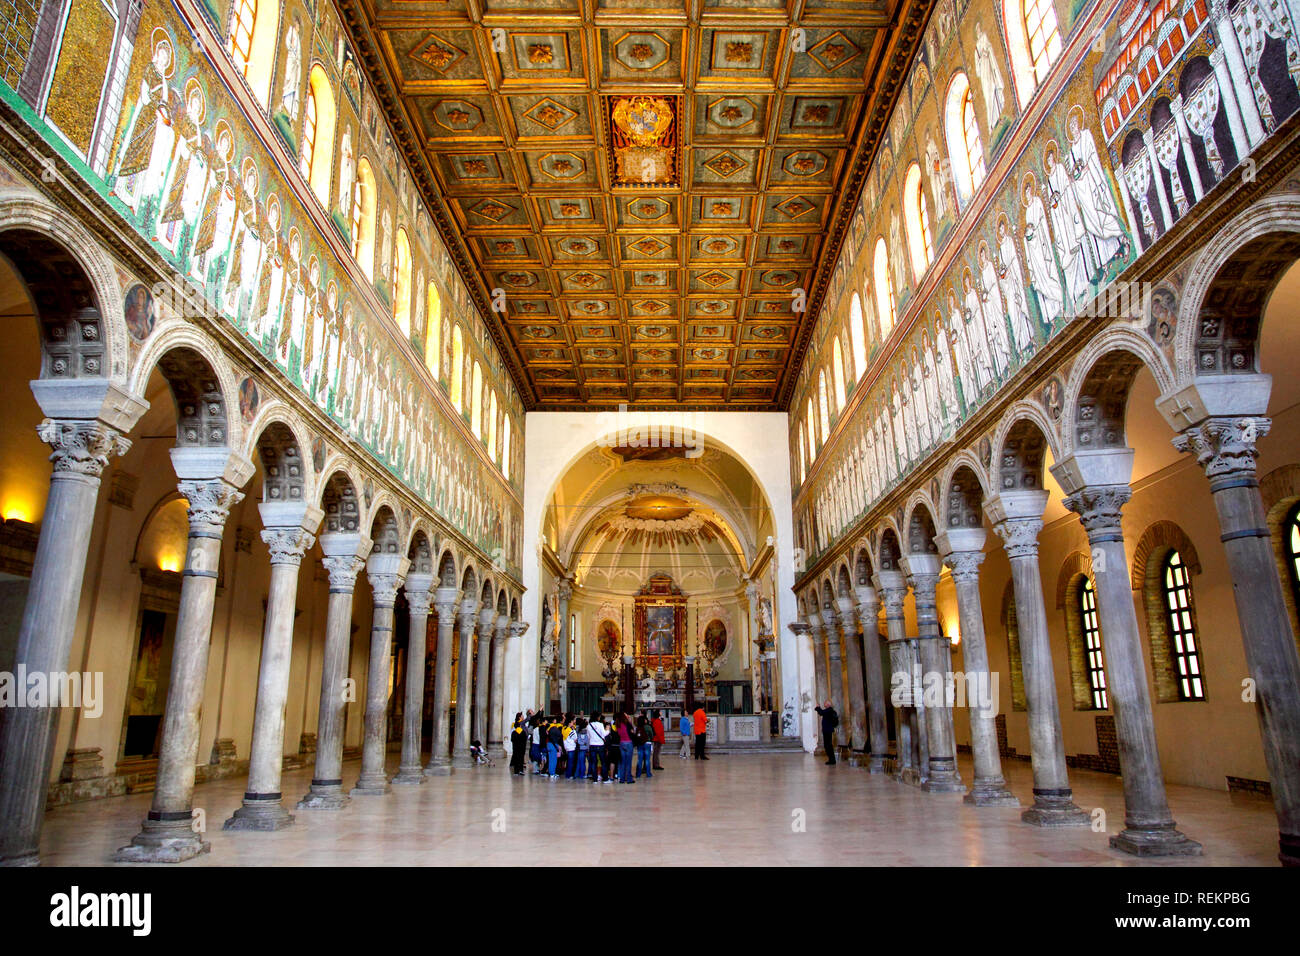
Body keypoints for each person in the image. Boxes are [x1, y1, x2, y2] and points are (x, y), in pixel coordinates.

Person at [815, 700, 839, 765]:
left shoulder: (829, 710)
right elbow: (822, 712)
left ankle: (832, 760)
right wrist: (818, 708)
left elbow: (821, 712)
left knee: (828, 745)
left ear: (828, 704)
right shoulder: (829, 711)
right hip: (828, 730)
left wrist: (818, 707)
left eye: (825, 703)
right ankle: (831, 759)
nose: (824, 704)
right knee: (828, 745)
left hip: (827, 730)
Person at [587, 712, 608, 782]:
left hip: (592, 745)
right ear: (598, 717)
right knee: (603, 762)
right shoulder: (600, 724)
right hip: (600, 745)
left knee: (593, 762)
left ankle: (595, 779)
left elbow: (588, 736)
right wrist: (608, 730)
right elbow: (604, 734)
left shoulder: (589, 726)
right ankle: (605, 779)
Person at [616, 712, 635, 784]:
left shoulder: (618, 724)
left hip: (621, 743)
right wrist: (630, 721)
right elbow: (632, 731)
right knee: (628, 762)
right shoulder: (627, 724)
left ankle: (622, 779)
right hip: (628, 742)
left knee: (622, 762)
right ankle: (629, 779)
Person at [603, 715, 621, 784]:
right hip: (619, 746)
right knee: (619, 761)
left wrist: (607, 748)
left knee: (612, 762)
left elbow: (607, 737)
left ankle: (611, 777)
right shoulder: (621, 726)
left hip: (612, 746)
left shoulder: (610, 727)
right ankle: (619, 775)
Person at [634, 714, 653, 779]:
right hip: (647, 743)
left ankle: (638, 774)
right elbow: (651, 734)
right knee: (647, 759)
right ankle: (648, 773)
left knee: (639, 759)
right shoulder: (648, 727)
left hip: (640, 744)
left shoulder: (638, 728)